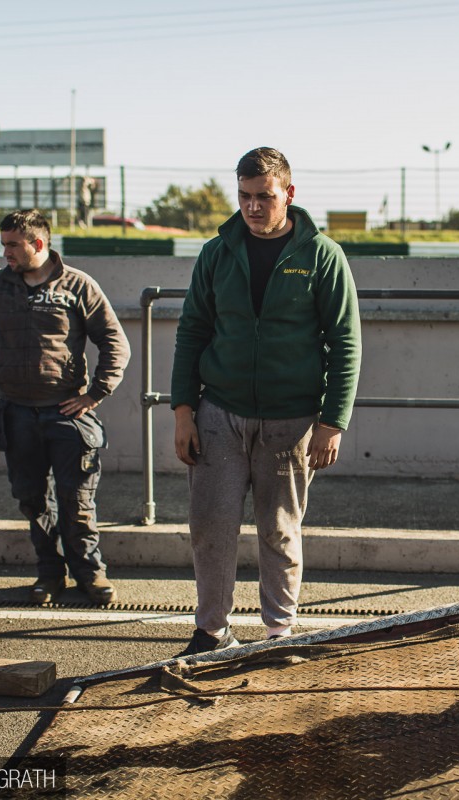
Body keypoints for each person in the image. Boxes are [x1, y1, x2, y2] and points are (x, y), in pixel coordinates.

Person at [170, 147, 361, 657]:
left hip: (291, 419)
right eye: (245, 196)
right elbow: (192, 332)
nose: (253, 207)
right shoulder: (216, 253)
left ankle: (279, 634)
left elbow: (345, 343)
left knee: (278, 530)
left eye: (264, 197)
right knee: (210, 527)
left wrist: (332, 421)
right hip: (219, 413)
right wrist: (183, 411)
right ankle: (211, 630)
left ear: (288, 194)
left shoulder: (321, 256)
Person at [0, 209, 130, 605]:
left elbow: (115, 342)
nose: (6, 253)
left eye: (13, 245)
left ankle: (90, 573)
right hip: (16, 414)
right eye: (4, 245)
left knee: (77, 503)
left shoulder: (77, 286)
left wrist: (95, 394)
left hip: (67, 416)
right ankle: (50, 574)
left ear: (39, 243)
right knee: (32, 500)